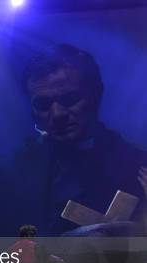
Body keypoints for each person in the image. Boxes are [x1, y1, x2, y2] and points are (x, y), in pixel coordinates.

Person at [11, 44, 147, 235]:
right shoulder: (13, 170)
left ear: (96, 94)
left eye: (70, 99)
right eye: (43, 104)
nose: (57, 114)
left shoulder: (138, 163)